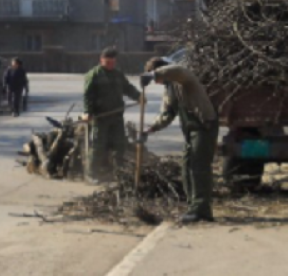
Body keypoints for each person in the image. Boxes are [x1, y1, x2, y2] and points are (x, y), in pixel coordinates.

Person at [141, 55, 220, 224]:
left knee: (199, 167)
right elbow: (167, 113)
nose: (156, 82)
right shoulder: (169, 89)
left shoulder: (183, 78)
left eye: (156, 77)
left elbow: (177, 69)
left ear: (162, 72)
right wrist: (150, 129)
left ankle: (202, 210)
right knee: (187, 166)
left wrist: (153, 74)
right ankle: (193, 206)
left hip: (203, 126)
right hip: (190, 130)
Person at [82, 46, 141, 182]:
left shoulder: (117, 74)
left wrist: (138, 96)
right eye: (108, 62)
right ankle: (91, 174)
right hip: (100, 117)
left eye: (113, 62)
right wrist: (87, 112)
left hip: (116, 116)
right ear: (101, 60)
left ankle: (118, 172)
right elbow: (88, 96)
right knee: (98, 146)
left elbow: (127, 87)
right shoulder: (94, 74)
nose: (110, 65)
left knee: (119, 144)